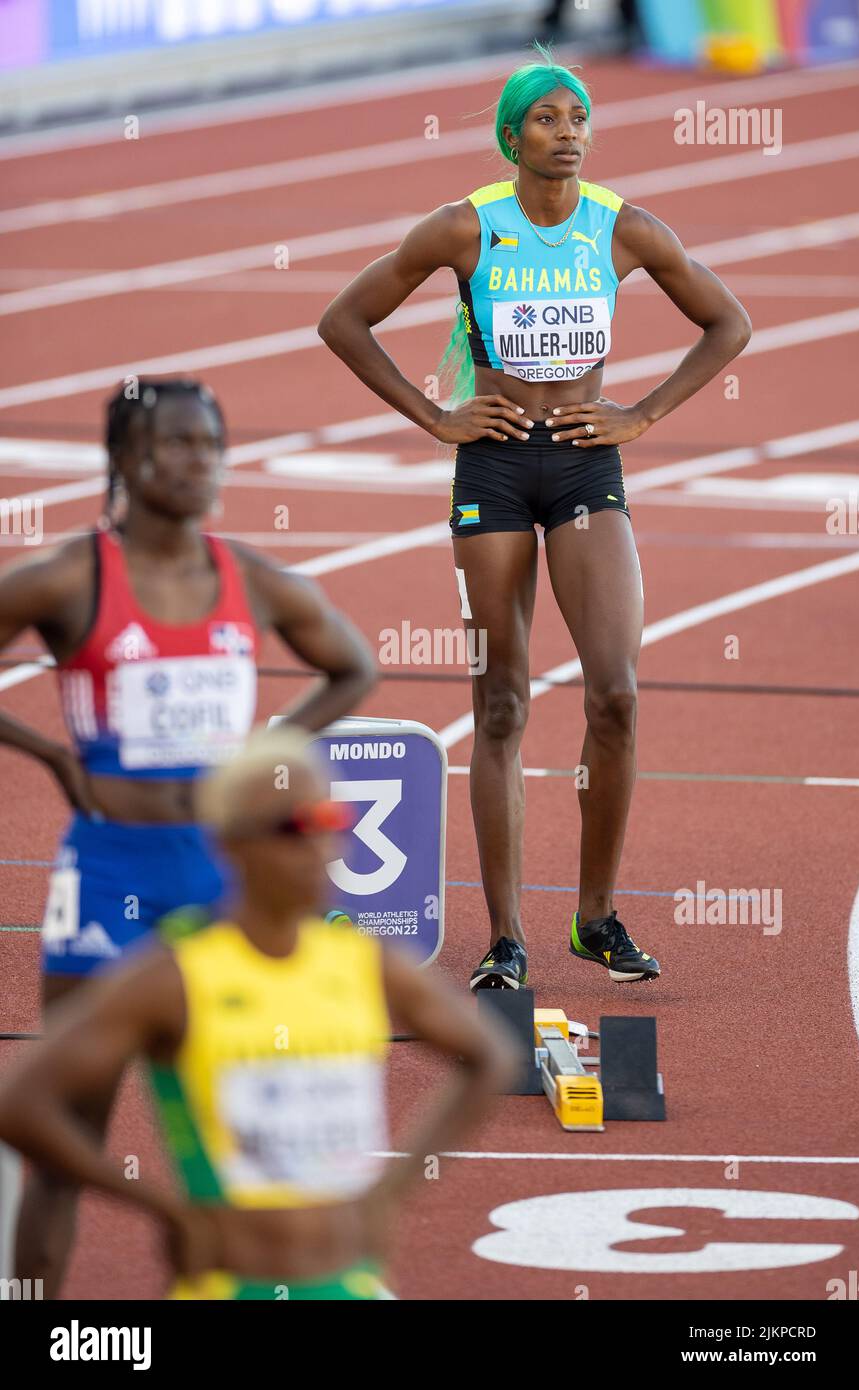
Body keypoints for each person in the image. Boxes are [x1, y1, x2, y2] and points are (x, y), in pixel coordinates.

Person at [317, 49, 751, 992]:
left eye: (580, 118)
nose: (570, 134)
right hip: (498, 469)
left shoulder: (625, 229)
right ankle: (506, 937)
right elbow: (344, 320)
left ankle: (594, 918)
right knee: (502, 701)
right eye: (549, 120)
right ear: (512, 137)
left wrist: (641, 415)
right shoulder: (464, 230)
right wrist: (436, 416)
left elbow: (730, 323)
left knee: (616, 693)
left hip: (589, 465)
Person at [0, 376, 378, 1293]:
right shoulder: (66, 576)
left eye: (210, 444)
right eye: (175, 444)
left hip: (217, 877)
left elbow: (352, 666)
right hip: (109, 870)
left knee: (245, 1127)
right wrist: (49, 752)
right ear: (126, 459)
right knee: (67, 1139)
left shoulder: (250, 577)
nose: (197, 462)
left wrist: (264, 753)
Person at [0, 727, 516, 1300]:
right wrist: (167, 1210)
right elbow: (19, 1103)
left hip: (347, 1283)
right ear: (231, 843)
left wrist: (389, 1191)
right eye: (295, 828)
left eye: (331, 823)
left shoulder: (367, 963)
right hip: (228, 1283)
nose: (323, 847)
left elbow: (490, 1057)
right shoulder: (171, 977)